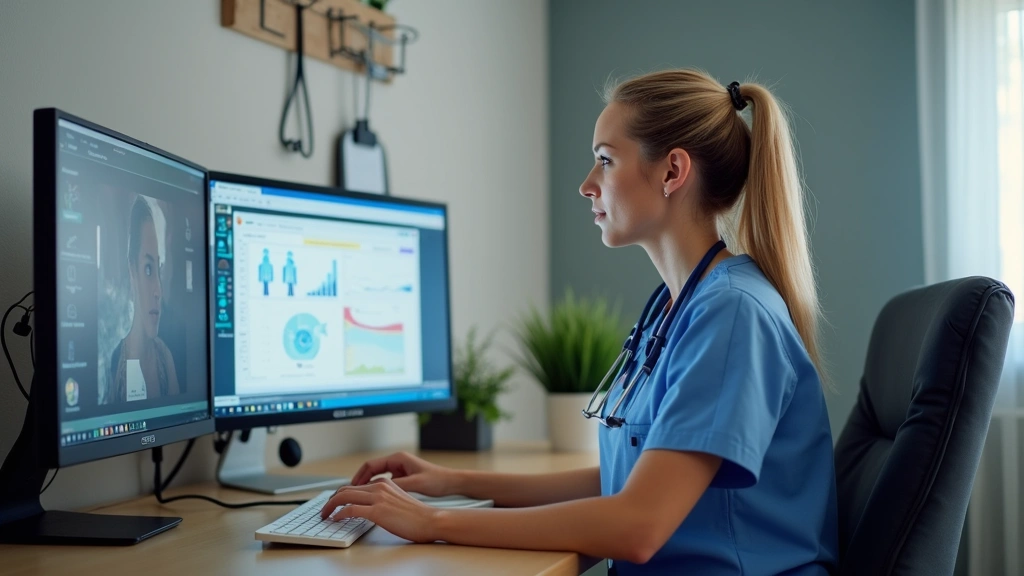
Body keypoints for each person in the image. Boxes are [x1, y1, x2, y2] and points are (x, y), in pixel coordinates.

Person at [319, 69, 837, 575]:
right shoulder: (677, 304)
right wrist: (450, 480)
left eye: (605, 162)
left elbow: (638, 524)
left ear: (672, 172)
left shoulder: (732, 313)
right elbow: (623, 482)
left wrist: (431, 521)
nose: (587, 186)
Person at [110, 195, 180, 402]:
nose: (158, 290)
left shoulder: (165, 357)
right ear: (132, 270)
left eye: (158, 269)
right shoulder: (114, 365)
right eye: (148, 269)